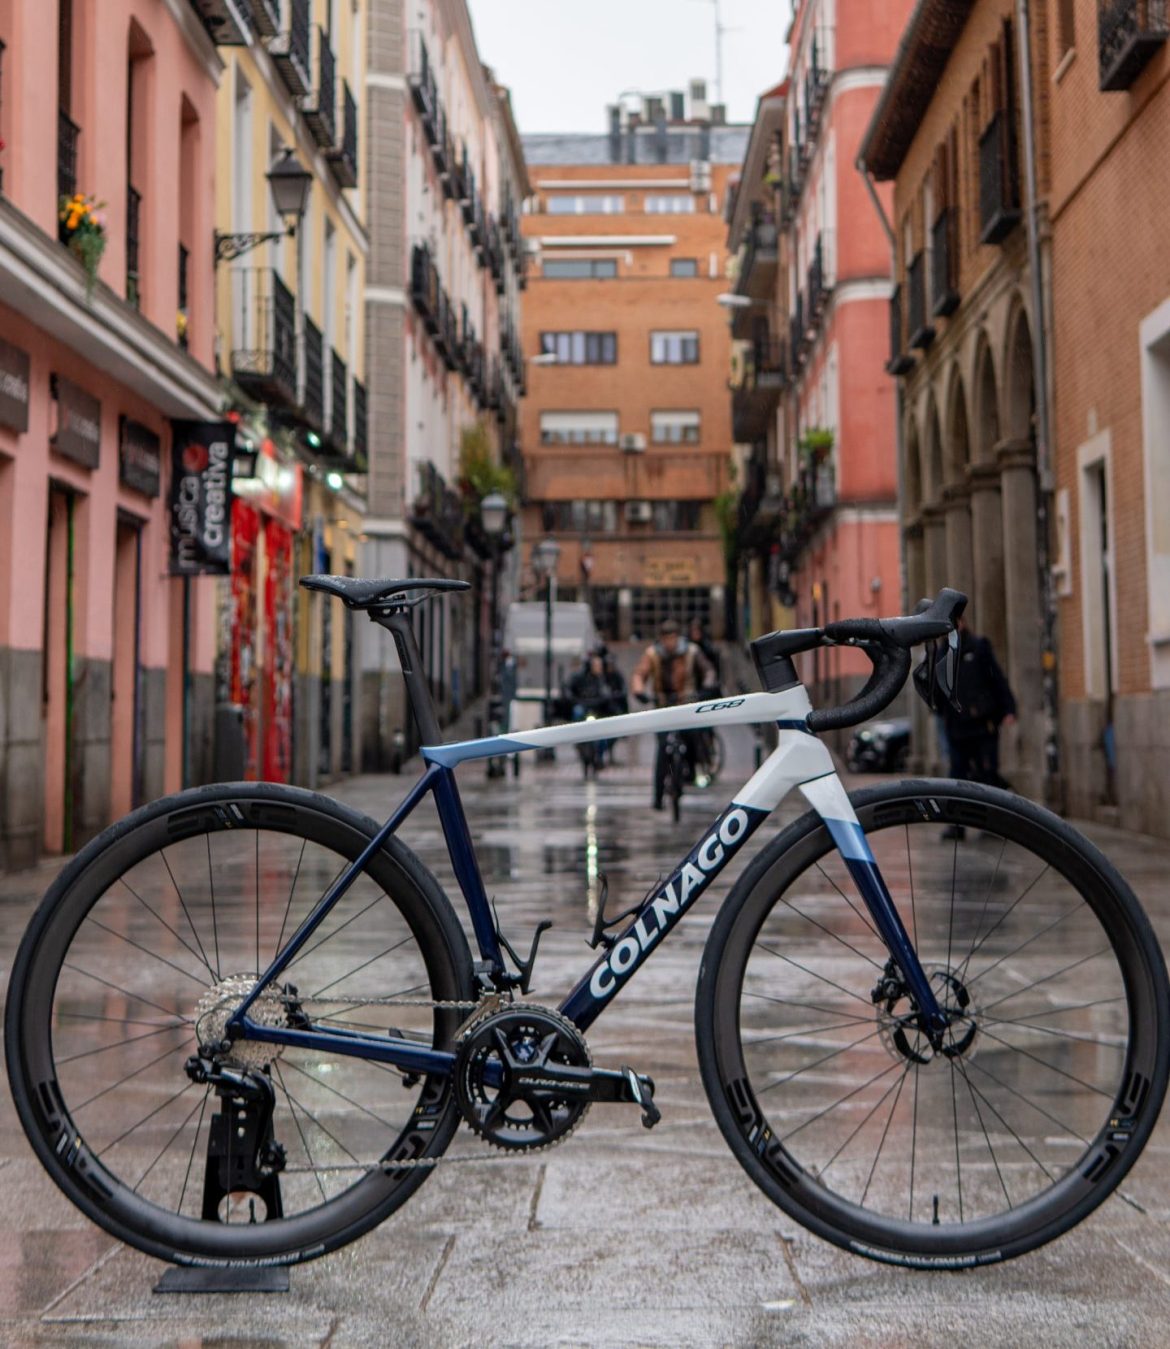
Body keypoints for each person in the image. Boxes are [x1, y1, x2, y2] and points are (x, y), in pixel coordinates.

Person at [941, 616, 1017, 839]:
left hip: (983, 725)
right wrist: (941, 712)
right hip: (956, 727)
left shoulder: (979, 646)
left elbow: (997, 679)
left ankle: (991, 823)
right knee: (957, 777)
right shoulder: (943, 653)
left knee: (987, 774)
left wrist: (1008, 709)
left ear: (962, 623)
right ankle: (956, 825)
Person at [631, 619, 714, 810]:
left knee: (693, 739)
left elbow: (708, 670)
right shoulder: (652, 654)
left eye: (673, 638)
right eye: (667, 639)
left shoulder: (692, 651)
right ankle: (658, 796)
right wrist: (640, 691)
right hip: (663, 706)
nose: (670, 643)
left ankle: (694, 771)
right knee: (662, 749)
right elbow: (639, 674)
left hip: (686, 705)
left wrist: (707, 686)